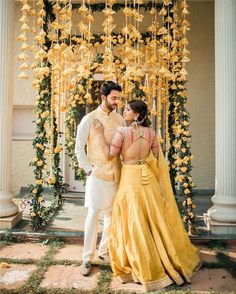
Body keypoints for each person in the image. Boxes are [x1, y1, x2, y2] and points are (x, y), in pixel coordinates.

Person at [93, 99, 201, 292]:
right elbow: (158, 159)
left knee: (133, 218)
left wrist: (100, 135)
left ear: (136, 114)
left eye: (127, 109)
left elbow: (110, 154)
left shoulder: (123, 132)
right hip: (148, 178)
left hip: (131, 178)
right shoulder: (151, 133)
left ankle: (141, 262)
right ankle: (161, 255)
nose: (124, 111)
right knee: (152, 216)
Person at [75, 81, 125, 276]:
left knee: (112, 215)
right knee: (94, 214)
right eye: (114, 98)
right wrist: (88, 170)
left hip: (116, 173)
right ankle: (87, 257)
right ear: (103, 97)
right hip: (96, 174)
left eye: (119, 98)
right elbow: (79, 147)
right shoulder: (89, 119)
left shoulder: (120, 120)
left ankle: (104, 251)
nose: (117, 102)